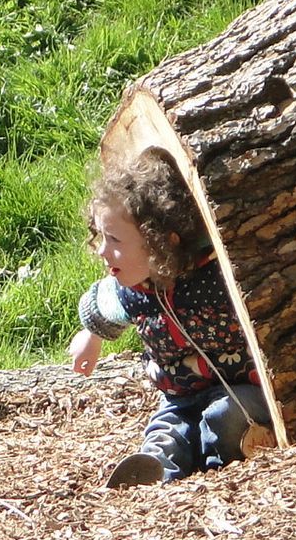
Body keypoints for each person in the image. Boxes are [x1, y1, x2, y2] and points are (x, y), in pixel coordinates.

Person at [67, 147, 270, 487]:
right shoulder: (130, 289)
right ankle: (157, 471)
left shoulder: (213, 281)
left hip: (239, 389)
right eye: (101, 236)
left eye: (114, 239)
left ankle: (216, 470)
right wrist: (91, 336)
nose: (102, 250)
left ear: (161, 242)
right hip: (178, 396)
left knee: (224, 419)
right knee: (166, 432)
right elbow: (102, 306)